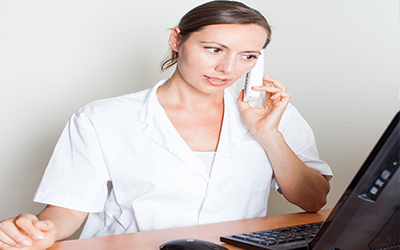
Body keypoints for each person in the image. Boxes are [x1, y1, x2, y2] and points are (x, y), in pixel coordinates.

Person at [0, 1, 332, 249]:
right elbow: (67, 209)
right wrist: (37, 232)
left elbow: (313, 200)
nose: (227, 68)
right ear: (177, 40)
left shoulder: (272, 114)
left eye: (248, 56)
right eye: (214, 49)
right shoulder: (102, 118)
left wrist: (268, 134)